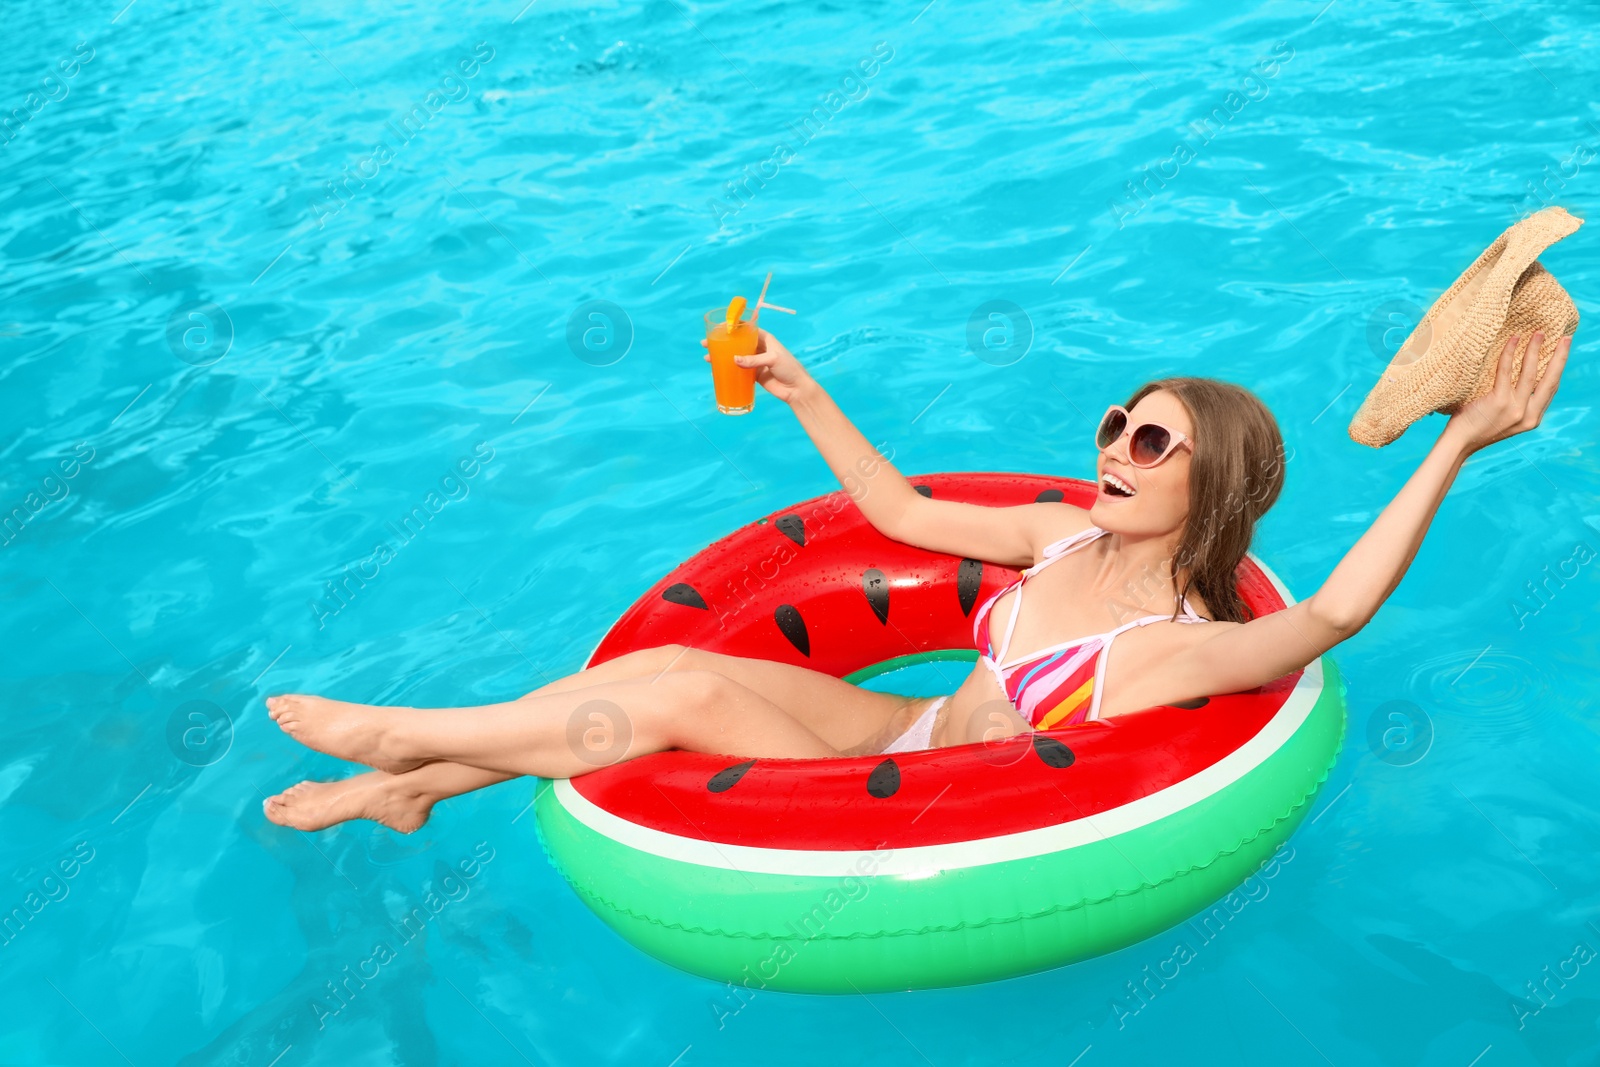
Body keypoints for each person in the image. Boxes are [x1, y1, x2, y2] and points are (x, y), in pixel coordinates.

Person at [263, 328, 1571, 833]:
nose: (1116, 447)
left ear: (1207, 486)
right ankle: (413, 785)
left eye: (1152, 441)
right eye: (1117, 421)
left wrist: (1454, 440)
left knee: (663, 688)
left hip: (922, 797)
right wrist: (802, 387)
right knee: (676, 676)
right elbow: (892, 512)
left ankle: (404, 737)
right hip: (902, 728)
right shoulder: (1062, 535)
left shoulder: (1171, 644)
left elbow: (1334, 613)